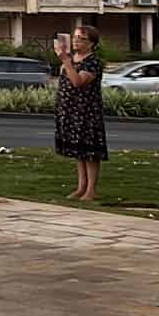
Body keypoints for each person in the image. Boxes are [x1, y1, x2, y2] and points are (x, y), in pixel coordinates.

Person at [54, 23, 108, 200]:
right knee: (78, 151)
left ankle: (91, 189)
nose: (77, 41)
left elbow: (78, 82)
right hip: (70, 109)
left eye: (82, 39)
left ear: (91, 43)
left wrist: (66, 62)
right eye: (75, 37)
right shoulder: (72, 59)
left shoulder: (93, 62)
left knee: (90, 151)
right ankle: (81, 186)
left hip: (87, 111)